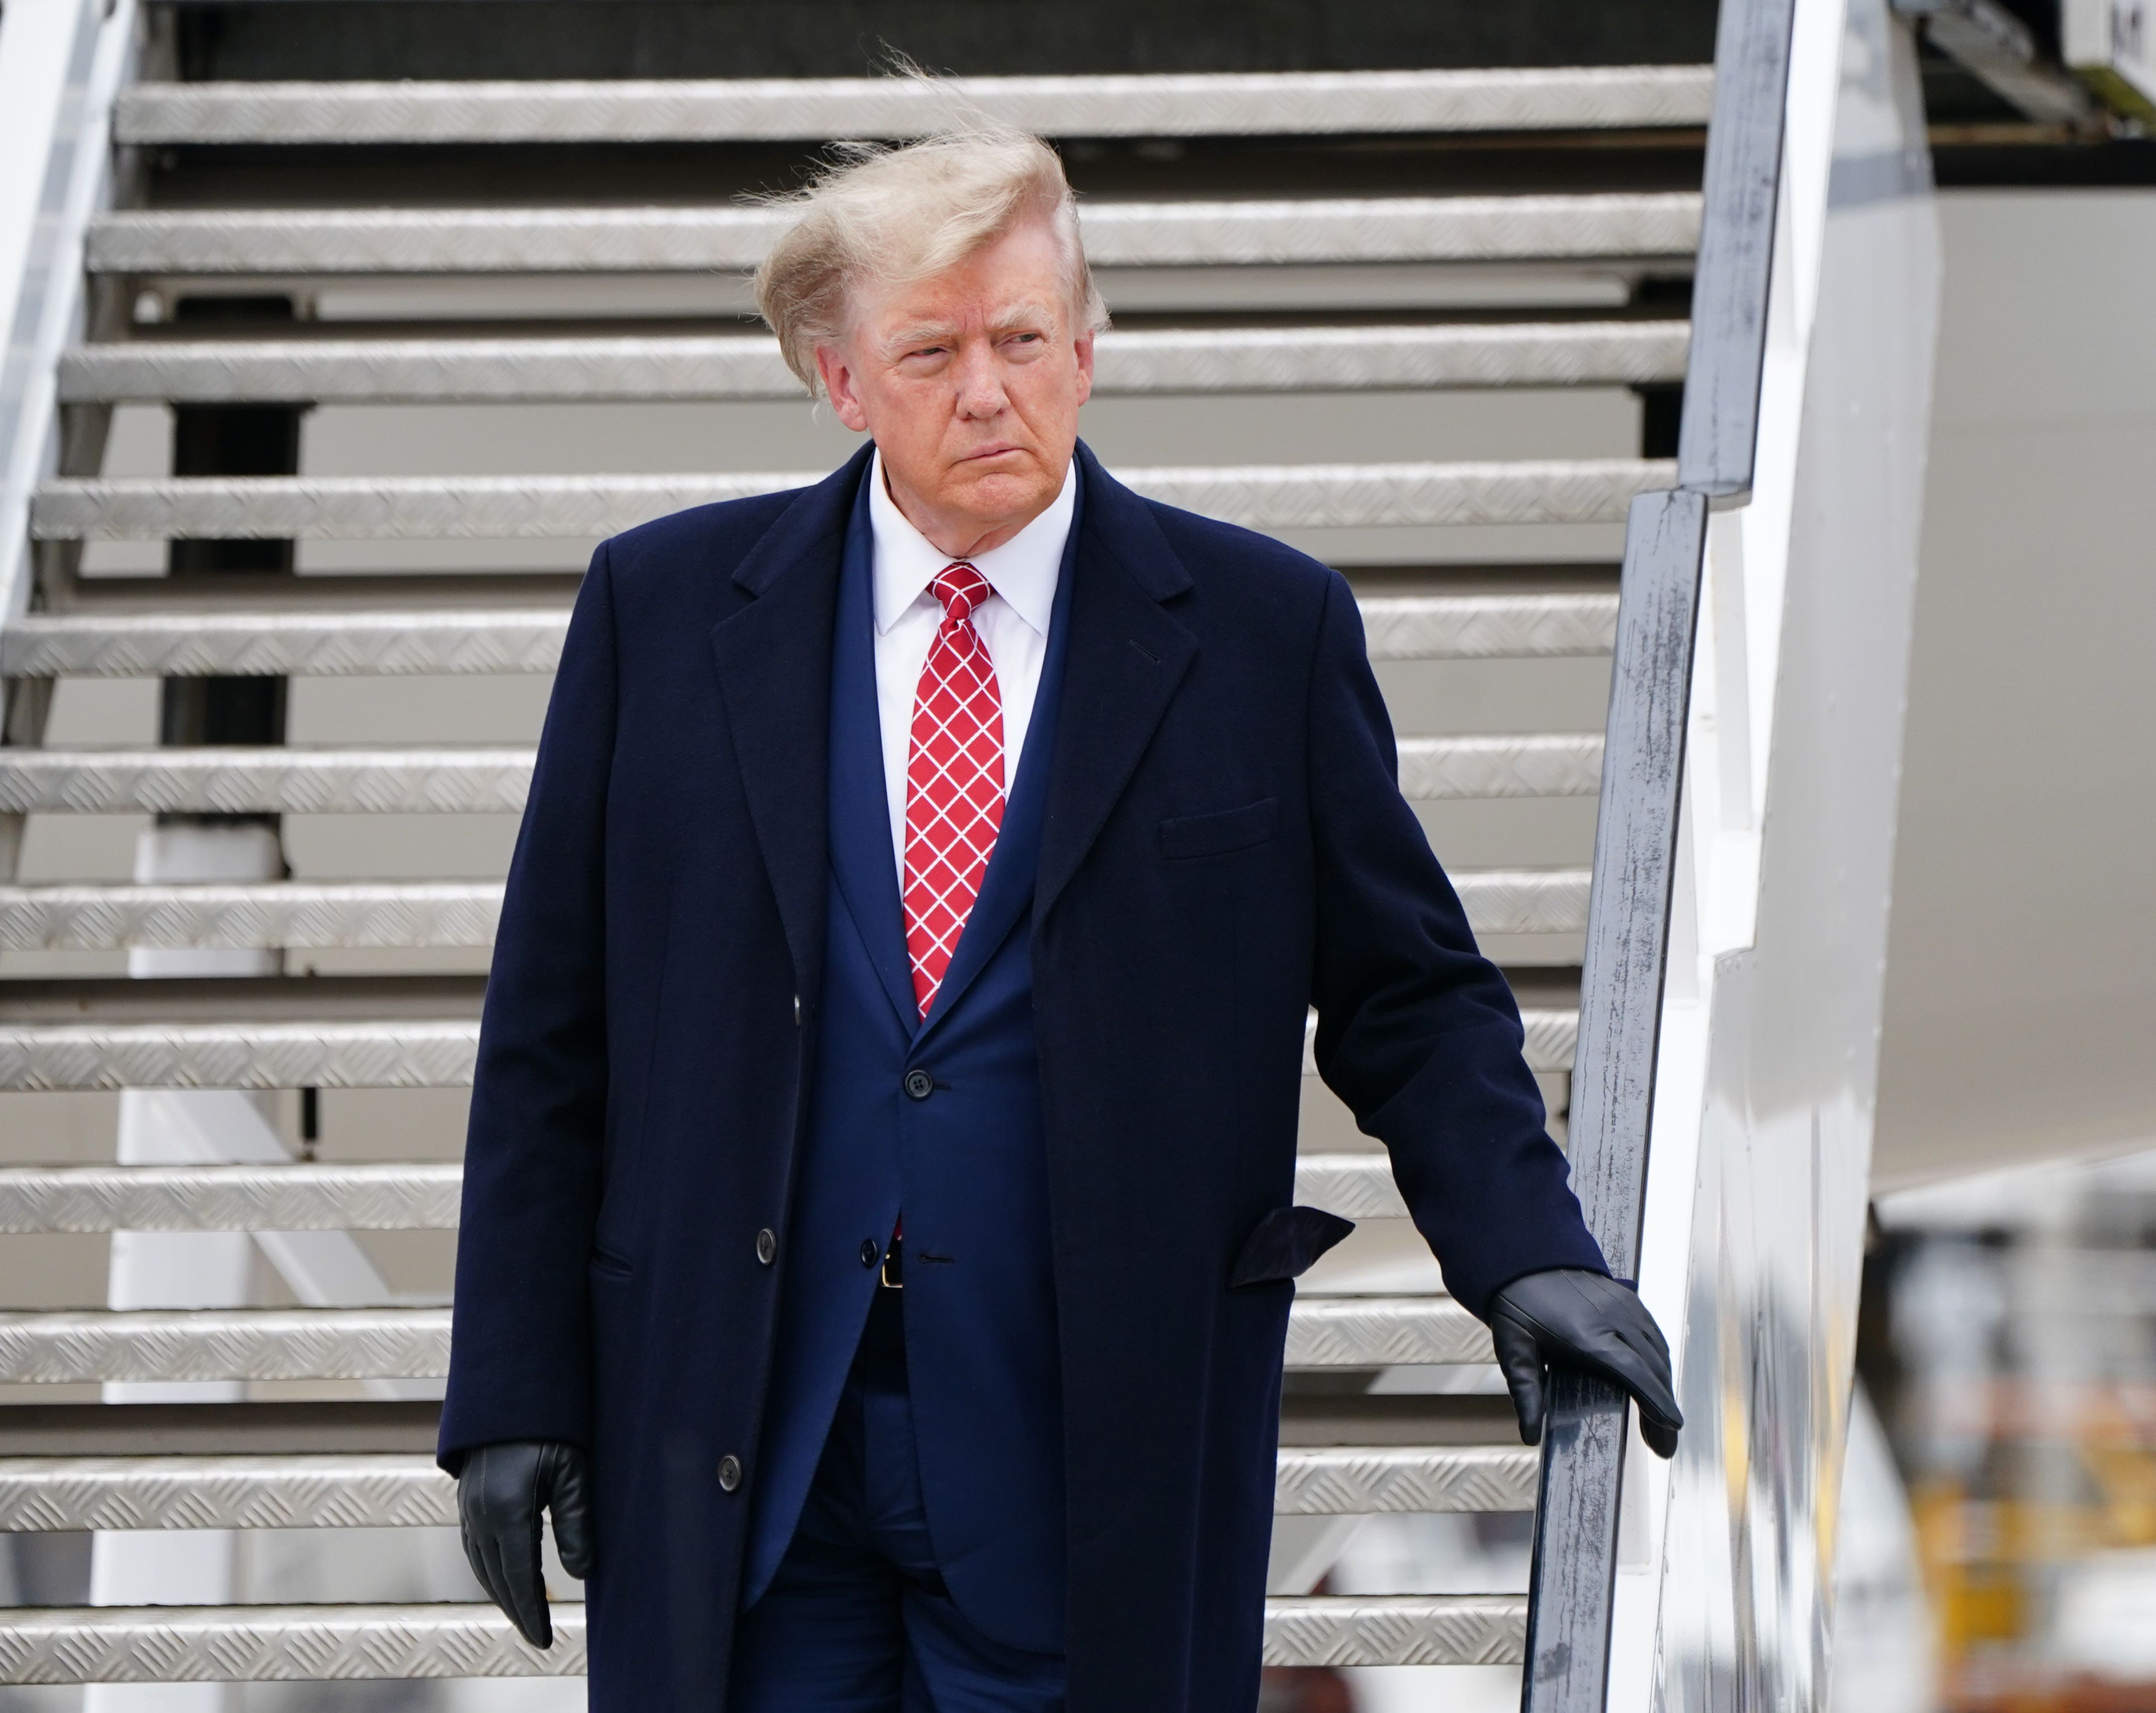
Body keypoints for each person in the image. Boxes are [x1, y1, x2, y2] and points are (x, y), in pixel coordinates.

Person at [437, 122, 1681, 1713]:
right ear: (842, 379)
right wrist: (515, 1388)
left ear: (1087, 352)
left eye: (1024, 339)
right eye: (932, 350)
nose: (986, 390)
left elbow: (1408, 995)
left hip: (1090, 1443)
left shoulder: (1261, 633)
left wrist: (1523, 1251)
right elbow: (555, 1032)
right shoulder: (662, 612)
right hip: (749, 1439)